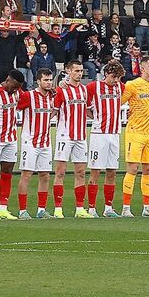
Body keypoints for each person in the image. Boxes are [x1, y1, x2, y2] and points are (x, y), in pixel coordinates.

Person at [120, 57, 149, 217]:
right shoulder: (132, 85)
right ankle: (126, 208)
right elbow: (118, 101)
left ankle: (147, 207)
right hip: (135, 132)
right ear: (142, 68)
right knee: (132, 168)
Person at [50, 62, 93, 218]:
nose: (79, 74)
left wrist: (99, 119)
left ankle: (80, 209)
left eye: (81, 71)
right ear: (68, 71)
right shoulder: (61, 90)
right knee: (60, 172)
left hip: (81, 136)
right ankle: (58, 209)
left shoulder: (84, 90)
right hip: (65, 135)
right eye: (76, 71)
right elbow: (54, 111)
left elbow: (88, 111)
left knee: (81, 173)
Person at [14, 71, 57, 219]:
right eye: (45, 80)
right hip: (30, 141)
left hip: (45, 142)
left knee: (45, 175)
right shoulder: (29, 96)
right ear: (38, 81)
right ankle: (22, 211)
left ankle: (41, 210)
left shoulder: (52, 97)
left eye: (50, 80)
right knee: (26, 175)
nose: (49, 83)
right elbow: (15, 107)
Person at [87, 62, 125, 217]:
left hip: (115, 134)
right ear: (106, 73)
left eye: (118, 77)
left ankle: (108, 208)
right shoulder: (93, 87)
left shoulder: (120, 87)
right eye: (113, 77)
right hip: (99, 134)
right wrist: (96, 118)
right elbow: (84, 106)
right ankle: (91, 208)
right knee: (95, 171)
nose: (115, 80)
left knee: (112, 171)